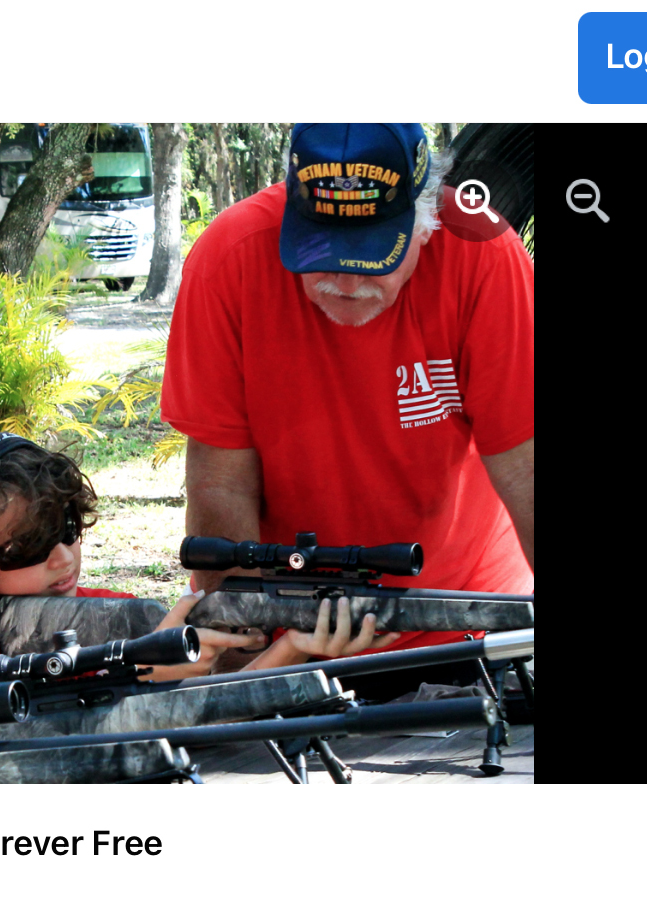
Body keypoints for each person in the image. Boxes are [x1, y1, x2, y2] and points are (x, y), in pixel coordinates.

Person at [161, 123, 533, 676]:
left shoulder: (481, 250)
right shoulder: (229, 257)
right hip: (298, 641)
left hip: (473, 621)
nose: (347, 282)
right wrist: (246, 652)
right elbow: (220, 481)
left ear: (428, 220)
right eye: (322, 252)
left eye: (374, 256)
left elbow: (526, 469)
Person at [0, 430, 383, 694]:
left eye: (67, 530)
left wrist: (295, 648)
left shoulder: (113, 612)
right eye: (27, 547)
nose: (63, 557)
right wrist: (137, 670)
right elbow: (0, 731)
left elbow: (220, 712)